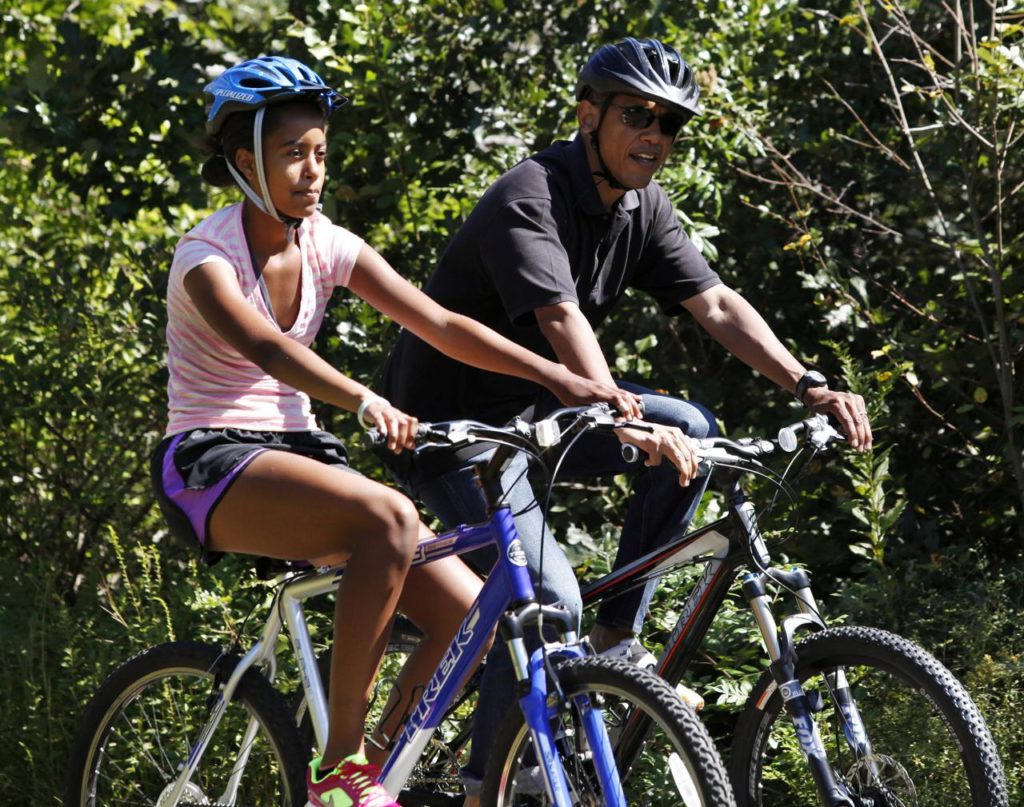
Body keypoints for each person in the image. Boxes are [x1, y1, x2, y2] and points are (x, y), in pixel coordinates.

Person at [379, 37, 873, 803]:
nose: (655, 135)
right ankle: (489, 786)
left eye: (670, 124)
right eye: (638, 115)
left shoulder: (642, 207)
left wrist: (808, 383)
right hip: (453, 431)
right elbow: (559, 317)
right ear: (588, 114)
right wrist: (620, 415)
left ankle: (616, 638)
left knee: (696, 431)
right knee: (543, 594)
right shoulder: (529, 196)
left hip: (544, 414)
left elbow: (713, 304)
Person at [149, 55, 639, 807]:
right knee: (389, 512)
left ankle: (370, 770)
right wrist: (363, 398)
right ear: (245, 162)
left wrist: (560, 378)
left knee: (472, 615)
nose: (313, 171)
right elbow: (268, 349)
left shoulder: (324, 243)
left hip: (300, 456)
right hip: (210, 460)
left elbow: (441, 323)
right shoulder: (205, 259)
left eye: (320, 151)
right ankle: (337, 768)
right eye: (293, 154)